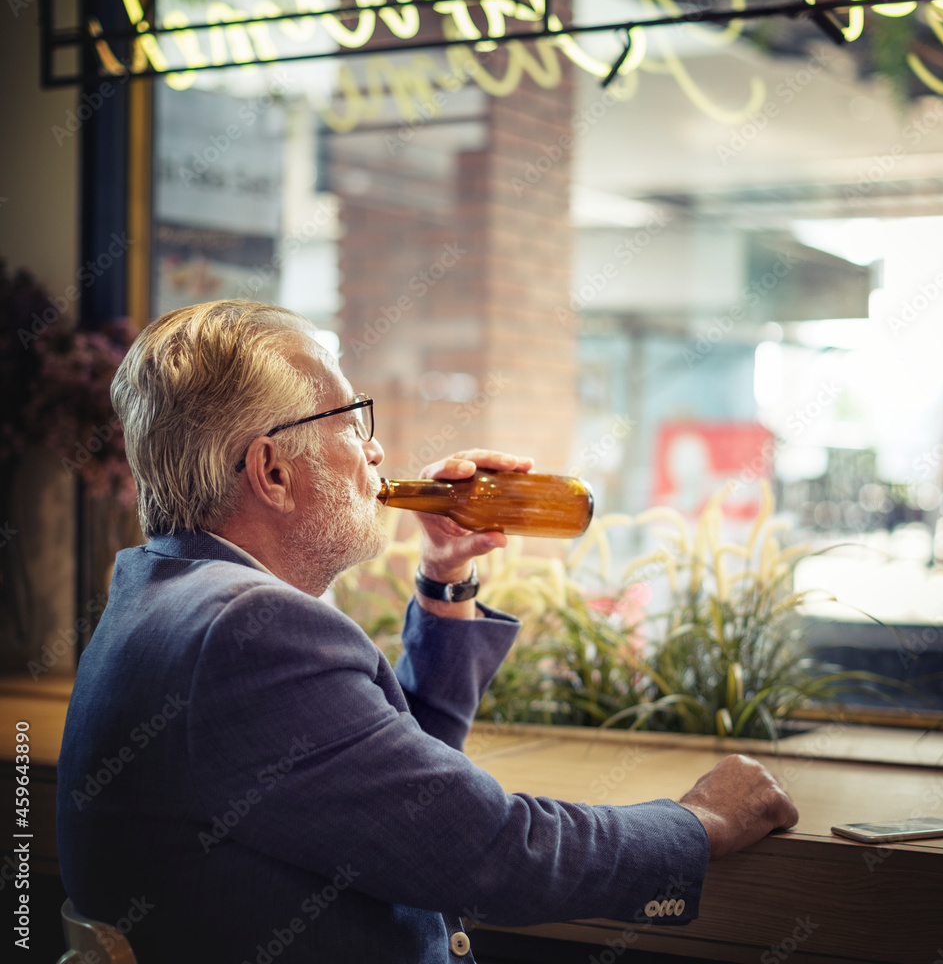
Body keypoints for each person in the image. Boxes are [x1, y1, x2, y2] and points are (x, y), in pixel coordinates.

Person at [57, 300, 797, 964]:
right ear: (272, 472)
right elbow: (496, 853)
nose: (376, 452)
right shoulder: (247, 631)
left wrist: (446, 577)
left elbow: (405, 804)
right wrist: (701, 822)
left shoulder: (158, 593)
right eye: (351, 424)